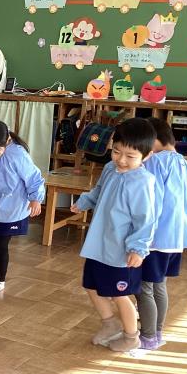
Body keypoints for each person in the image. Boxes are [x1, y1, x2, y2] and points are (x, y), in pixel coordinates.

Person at [71, 118, 157, 352]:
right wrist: (84, 202)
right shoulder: (110, 168)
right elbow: (98, 191)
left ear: (146, 156)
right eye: (117, 151)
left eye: (130, 156)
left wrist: (138, 249)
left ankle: (131, 336)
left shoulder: (142, 182)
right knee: (91, 285)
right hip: (98, 245)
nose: (121, 160)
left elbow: (146, 219)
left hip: (121, 252)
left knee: (120, 295)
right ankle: (109, 325)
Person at [138, 117, 187, 350]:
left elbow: (150, 201)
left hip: (156, 236)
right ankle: (157, 332)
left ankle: (148, 336)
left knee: (144, 288)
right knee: (159, 285)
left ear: (154, 140)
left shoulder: (154, 162)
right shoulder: (186, 165)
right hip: (177, 236)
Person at [0, 121, 45, 295]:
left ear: (6, 141)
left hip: (12, 209)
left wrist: (36, 199)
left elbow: (34, 178)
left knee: (0, 244)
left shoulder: (18, 155)